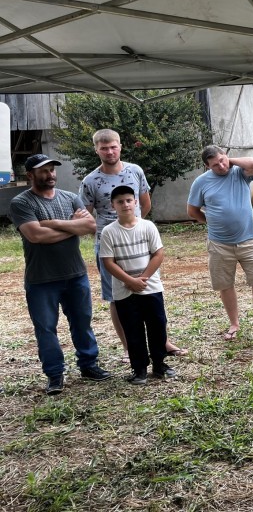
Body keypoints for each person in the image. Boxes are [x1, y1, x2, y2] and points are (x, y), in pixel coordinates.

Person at [9, 154, 112, 395]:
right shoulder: (21, 203)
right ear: (30, 175)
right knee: (45, 328)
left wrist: (51, 223)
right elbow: (36, 235)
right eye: (43, 171)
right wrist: (72, 226)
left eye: (52, 170)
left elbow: (90, 226)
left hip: (75, 274)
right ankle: (55, 375)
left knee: (82, 322)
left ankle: (88, 365)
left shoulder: (70, 197)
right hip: (41, 279)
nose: (50, 174)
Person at [81, 129, 187, 361]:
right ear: (96, 150)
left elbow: (145, 204)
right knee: (117, 296)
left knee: (149, 291)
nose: (110, 152)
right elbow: (86, 217)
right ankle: (130, 347)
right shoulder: (90, 181)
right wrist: (115, 232)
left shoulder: (135, 171)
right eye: (104, 148)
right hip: (109, 246)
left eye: (113, 147)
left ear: (120, 146)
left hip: (140, 244)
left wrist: (133, 228)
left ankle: (162, 342)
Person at [187, 145, 253, 341]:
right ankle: (234, 324)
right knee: (225, 285)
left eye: (222, 160)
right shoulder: (201, 182)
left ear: (226, 156)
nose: (221, 166)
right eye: (215, 165)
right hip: (219, 244)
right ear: (207, 167)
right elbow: (192, 210)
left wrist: (229, 161)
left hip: (248, 240)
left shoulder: (239, 173)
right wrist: (210, 221)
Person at [99, 185, 177, 385]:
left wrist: (143, 278)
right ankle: (139, 369)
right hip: (124, 291)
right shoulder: (109, 232)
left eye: (128, 200)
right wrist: (130, 281)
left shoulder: (148, 226)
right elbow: (108, 262)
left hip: (151, 287)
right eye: (120, 202)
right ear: (113, 205)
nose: (125, 204)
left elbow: (158, 254)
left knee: (157, 326)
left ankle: (159, 364)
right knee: (132, 330)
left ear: (135, 202)